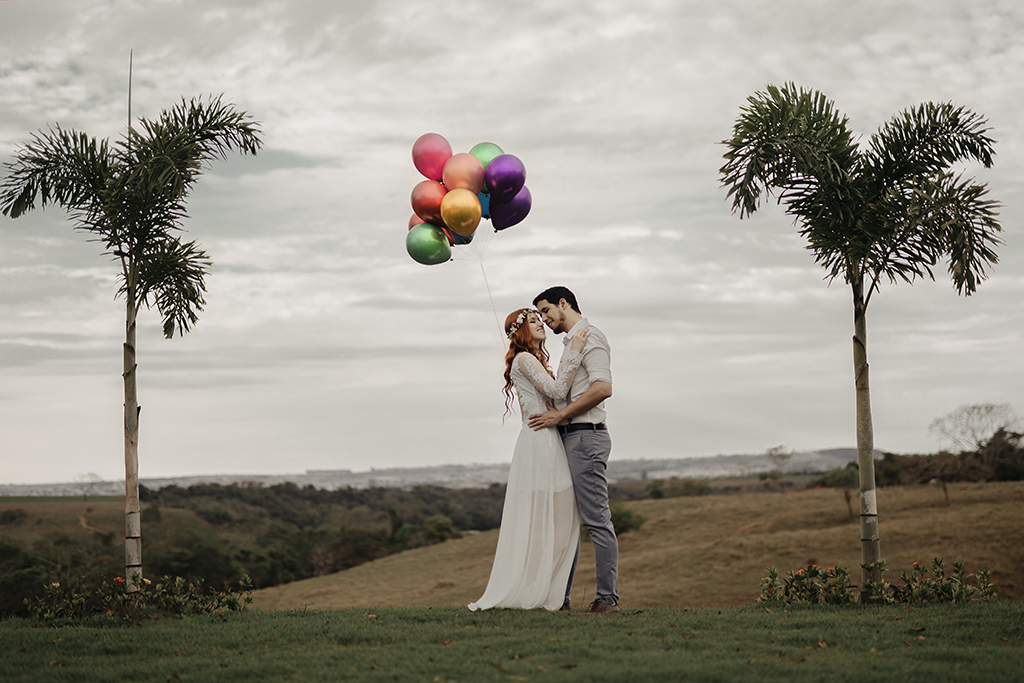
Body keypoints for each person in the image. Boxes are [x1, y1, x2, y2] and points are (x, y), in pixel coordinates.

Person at [468, 308, 590, 611]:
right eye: (534, 321)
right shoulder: (525, 359)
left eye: (540, 319)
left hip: (546, 440)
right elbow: (559, 391)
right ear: (519, 331)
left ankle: (545, 592)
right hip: (540, 444)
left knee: (560, 519)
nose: (541, 324)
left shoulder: (533, 360)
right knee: (553, 518)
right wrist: (574, 351)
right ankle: (535, 592)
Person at [529, 286, 619, 614]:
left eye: (546, 311)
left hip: (585, 437)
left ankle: (607, 600)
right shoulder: (570, 343)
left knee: (597, 521)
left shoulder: (591, 336)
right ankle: (560, 600)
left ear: (563, 304)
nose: (545, 319)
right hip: (568, 438)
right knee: (567, 523)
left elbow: (603, 388)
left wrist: (561, 415)